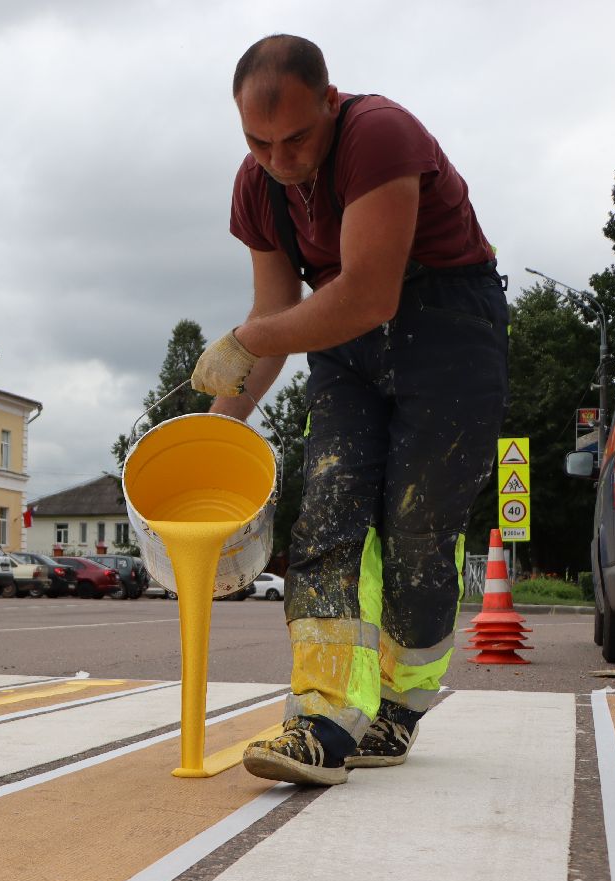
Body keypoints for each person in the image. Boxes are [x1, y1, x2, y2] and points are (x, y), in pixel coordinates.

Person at [192, 35, 509, 786]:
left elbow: (369, 294)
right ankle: (323, 718)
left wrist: (248, 338)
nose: (280, 159)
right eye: (258, 141)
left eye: (297, 138)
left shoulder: (379, 134)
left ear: (330, 102)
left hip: (449, 328)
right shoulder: (258, 187)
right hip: (343, 345)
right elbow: (277, 316)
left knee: (418, 529)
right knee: (327, 515)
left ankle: (400, 704)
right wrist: (214, 436)